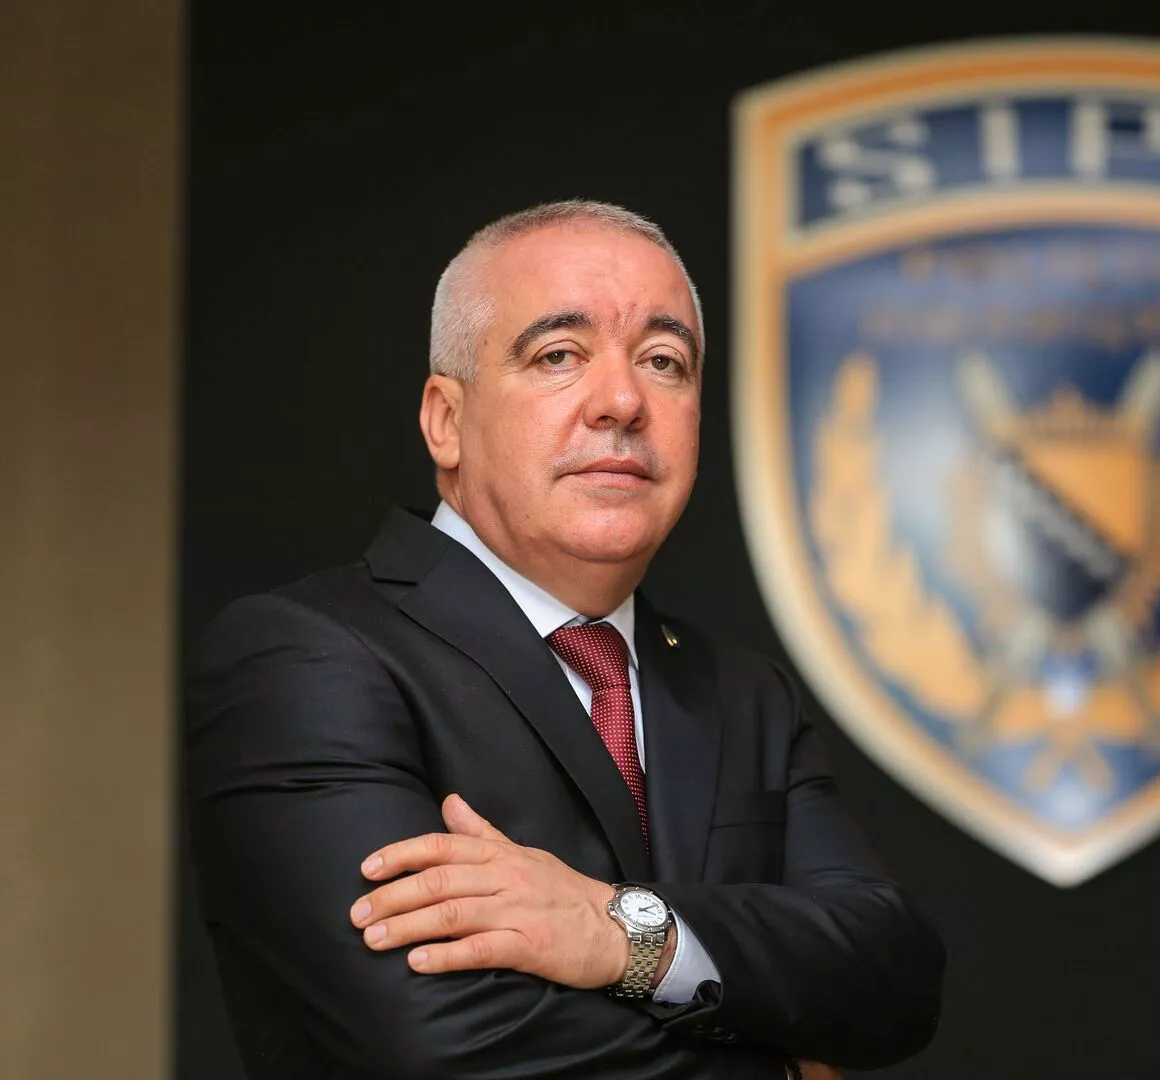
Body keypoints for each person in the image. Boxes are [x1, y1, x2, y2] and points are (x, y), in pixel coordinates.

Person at [185, 200, 945, 1079]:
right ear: (445, 420)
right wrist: (783, 1067)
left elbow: (892, 976)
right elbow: (438, 1049)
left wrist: (620, 934)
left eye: (664, 362)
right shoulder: (305, 659)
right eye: (558, 355)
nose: (622, 401)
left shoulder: (744, 693)